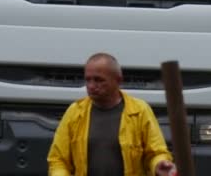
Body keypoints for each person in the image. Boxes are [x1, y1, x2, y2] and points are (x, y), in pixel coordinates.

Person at [47, 53, 176, 176]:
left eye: (99, 80)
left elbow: (155, 152)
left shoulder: (140, 111)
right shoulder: (75, 112)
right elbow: (58, 160)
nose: (91, 86)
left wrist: (158, 164)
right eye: (88, 80)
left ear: (118, 80)